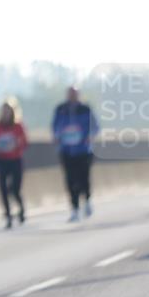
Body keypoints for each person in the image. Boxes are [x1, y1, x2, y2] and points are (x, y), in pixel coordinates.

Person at [51, 86, 99, 222]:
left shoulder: (86, 109)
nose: (72, 96)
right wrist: (56, 136)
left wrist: (90, 135)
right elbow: (54, 126)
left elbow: (95, 127)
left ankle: (88, 200)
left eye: (74, 94)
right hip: (66, 151)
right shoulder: (60, 109)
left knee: (84, 178)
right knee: (70, 180)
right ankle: (75, 209)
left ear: (78, 95)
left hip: (83, 150)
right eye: (70, 94)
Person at [0, 98, 28, 229]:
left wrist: (17, 144)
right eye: (3, 111)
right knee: (2, 187)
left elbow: (25, 143)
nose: (5, 114)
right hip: (2, 160)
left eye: (8, 111)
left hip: (15, 160)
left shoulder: (18, 126)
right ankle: (8, 215)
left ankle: (21, 208)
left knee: (15, 189)